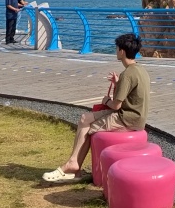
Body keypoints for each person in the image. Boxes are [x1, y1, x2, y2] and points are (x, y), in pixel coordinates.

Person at [42, 33, 150, 184]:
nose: (116, 50)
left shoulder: (127, 74)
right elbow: (125, 98)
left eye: (117, 48)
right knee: (84, 118)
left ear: (122, 52)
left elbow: (116, 105)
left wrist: (105, 100)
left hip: (126, 119)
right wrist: (117, 84)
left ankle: (73, 164)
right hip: (132, 115)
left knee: (89, 127)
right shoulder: (140, 70)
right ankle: (74, 165)